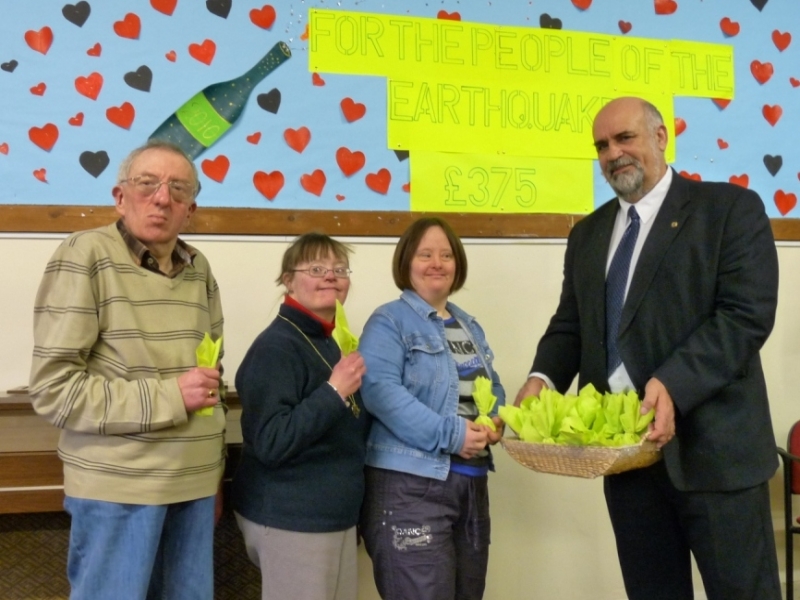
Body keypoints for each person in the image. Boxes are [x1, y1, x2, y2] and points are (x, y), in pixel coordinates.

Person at [516, 96, 781, 599]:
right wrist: (542, 379)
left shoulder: (729, 210)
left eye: (624, 138)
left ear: (661, 138)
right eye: (601, 145)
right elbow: (571, 325)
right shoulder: (588, 235)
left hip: (716, 458)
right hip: (628, 464)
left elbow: (744, 317)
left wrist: (672, 384)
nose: (613, 153)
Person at [28, 140, 225, 600]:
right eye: (147, 184)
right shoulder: (84, 255)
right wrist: (172, 397)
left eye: (178, 189)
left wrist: (213, 474)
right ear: (119, 196)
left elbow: (212, 379)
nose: (162, 197)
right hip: (117, 489)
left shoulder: (200, 268)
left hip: (193, 486)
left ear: (191, 209)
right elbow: (54, 390)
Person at [358, 217, 506, 600]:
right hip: (411, 489)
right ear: (406, 262)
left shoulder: (468, 325)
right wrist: (453, 435)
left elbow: (492, 388)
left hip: (471, 486)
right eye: (425, 254)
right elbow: (379, 391)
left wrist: (496, 420)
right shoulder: (388, 321)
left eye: (445, 254)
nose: (436, 262)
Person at [230, 232, 369, 600]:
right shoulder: (276, 347)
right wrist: (334, 391)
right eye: (317, 268)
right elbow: (272, 442)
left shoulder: (332, 340)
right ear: (288, 280)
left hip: (332, 516)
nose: (331, 276)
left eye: (339, 269)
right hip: (291, 518)